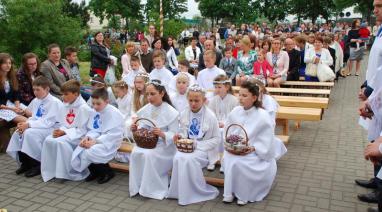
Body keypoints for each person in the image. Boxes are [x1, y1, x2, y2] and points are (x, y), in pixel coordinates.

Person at [222, 80, 277, 206]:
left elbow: (267, 139)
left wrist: (253, 148)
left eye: (244, 95)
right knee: (230, 158)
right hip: (236, 148)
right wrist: (231, 142)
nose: (240, 98)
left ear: (254, 97)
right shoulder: (236, 111)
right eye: (239, 95)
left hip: (255, 152)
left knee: (241, 162)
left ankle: (244, 194)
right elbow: (227, 129)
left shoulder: (262, 115)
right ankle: (230, 192)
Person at [168, 84, 220, 205]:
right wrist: (179, 137)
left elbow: (217, 139)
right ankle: (178, 191)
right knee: (177, 157)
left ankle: (194, 191)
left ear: (204, 100)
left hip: (204, 149)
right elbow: (182, 131)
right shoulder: (185, 112)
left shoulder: (210, 116)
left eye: (197, 100)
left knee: (188, 159)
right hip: (186, 147)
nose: (193, 103)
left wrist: (197, 145)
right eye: (190, 100)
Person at [129, 80, 179, 200]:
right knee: (135, 152)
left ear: (161, 93)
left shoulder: (171, 112)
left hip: (165, 146)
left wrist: (162, 134)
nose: (149, 97)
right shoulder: (146, 109)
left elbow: (174, 133)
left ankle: (152, 187)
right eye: (147, 94)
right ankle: (139, 185)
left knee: (149, 155)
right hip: (148, 142)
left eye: (152, 94)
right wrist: (136, 128)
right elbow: (144, 126)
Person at [7, 76, 63, 178]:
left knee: (29, 134)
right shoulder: (37, 100)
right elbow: (34, 117)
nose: (35, 92)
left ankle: (37, 164)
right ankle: (26, 163)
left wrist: (28, 124)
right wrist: (24, 124)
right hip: (40, 126)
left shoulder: (54, 102)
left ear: (47, 89)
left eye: (38, 90)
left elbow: (48, 122)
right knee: (19, 132)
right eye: (34, 89)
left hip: (52, 128)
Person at [355, 1, 382, 210]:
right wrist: (366, 86)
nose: (375, 10)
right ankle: (377, 182)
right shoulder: (380, 31)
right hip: (376, 95)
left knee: (379, 142)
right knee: (375, 138)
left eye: (380, 6)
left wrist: (370, 93)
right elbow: (375, 67)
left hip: (378, 95)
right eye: (374, 6)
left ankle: (380, 192)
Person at [41, 79, 92, 182]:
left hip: (78, 137)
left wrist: (64, 132)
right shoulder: (65, 105)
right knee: (48, 140)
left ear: (76, 94)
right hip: (67, 133)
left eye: (66, 94)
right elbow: (61, 123)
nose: (63, 97)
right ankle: (52, 171)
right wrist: (59, 130)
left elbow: (83, 129)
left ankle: (66, 173)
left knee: (60, 143)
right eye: (62, 94)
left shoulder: (84, 108)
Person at [71, 88, 124, 184]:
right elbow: (93, 129)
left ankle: (107, 172)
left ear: (107, 101)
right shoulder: (96, 110)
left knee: (91, 151)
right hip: (98, 138)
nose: (95, 106)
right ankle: (94, 172)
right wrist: (87, 138)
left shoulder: (113, 113)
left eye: (98, 103)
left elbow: (113, 134)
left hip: (111, 141)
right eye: (93, 103)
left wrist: (95, 141)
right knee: (82, 146)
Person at [208, 75, 239, 170]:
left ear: (227, 87)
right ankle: (212, 160)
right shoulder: (213, 100)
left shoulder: (234, 100)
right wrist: (215, 123)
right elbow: (210, 114)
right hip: (216, 125)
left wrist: (225, 123)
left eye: (219, 87)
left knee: (224, 133)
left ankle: (224, 161)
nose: (217, 89)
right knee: (211, 133)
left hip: (229, 126)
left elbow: (236, 116)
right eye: (216, 87)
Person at [0, 53, 28, 125]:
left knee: (32, 114)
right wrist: (13, 109)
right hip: (2, 108)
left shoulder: (12, 77)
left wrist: (17, 107)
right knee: (28, 121)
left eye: (9, 63)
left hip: (12, 104)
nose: (8, 65)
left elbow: (16, 94)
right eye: (5, 63)